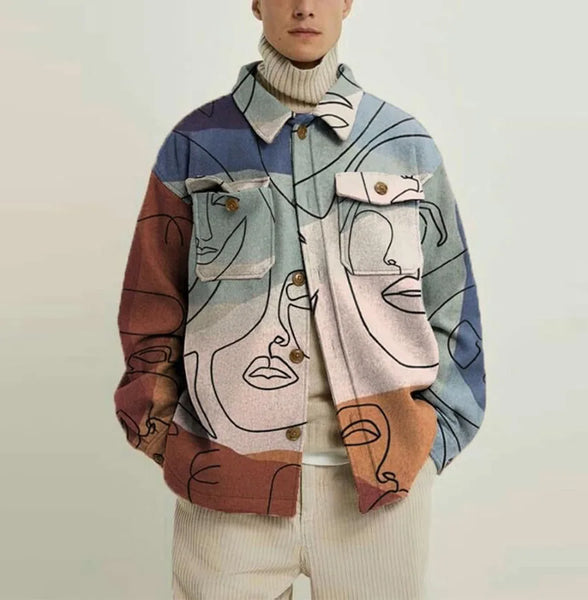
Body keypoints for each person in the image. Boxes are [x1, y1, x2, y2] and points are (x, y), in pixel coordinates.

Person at [113, 1, 487, 598]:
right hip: (226, 493)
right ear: (256, 3)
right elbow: (151, 306)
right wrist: (169, 439)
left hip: (378, 499)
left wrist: (427, 442)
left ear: (348, 3)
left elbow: (452, 305)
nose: (305, 7)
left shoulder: (403, 143)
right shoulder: (195, 144)